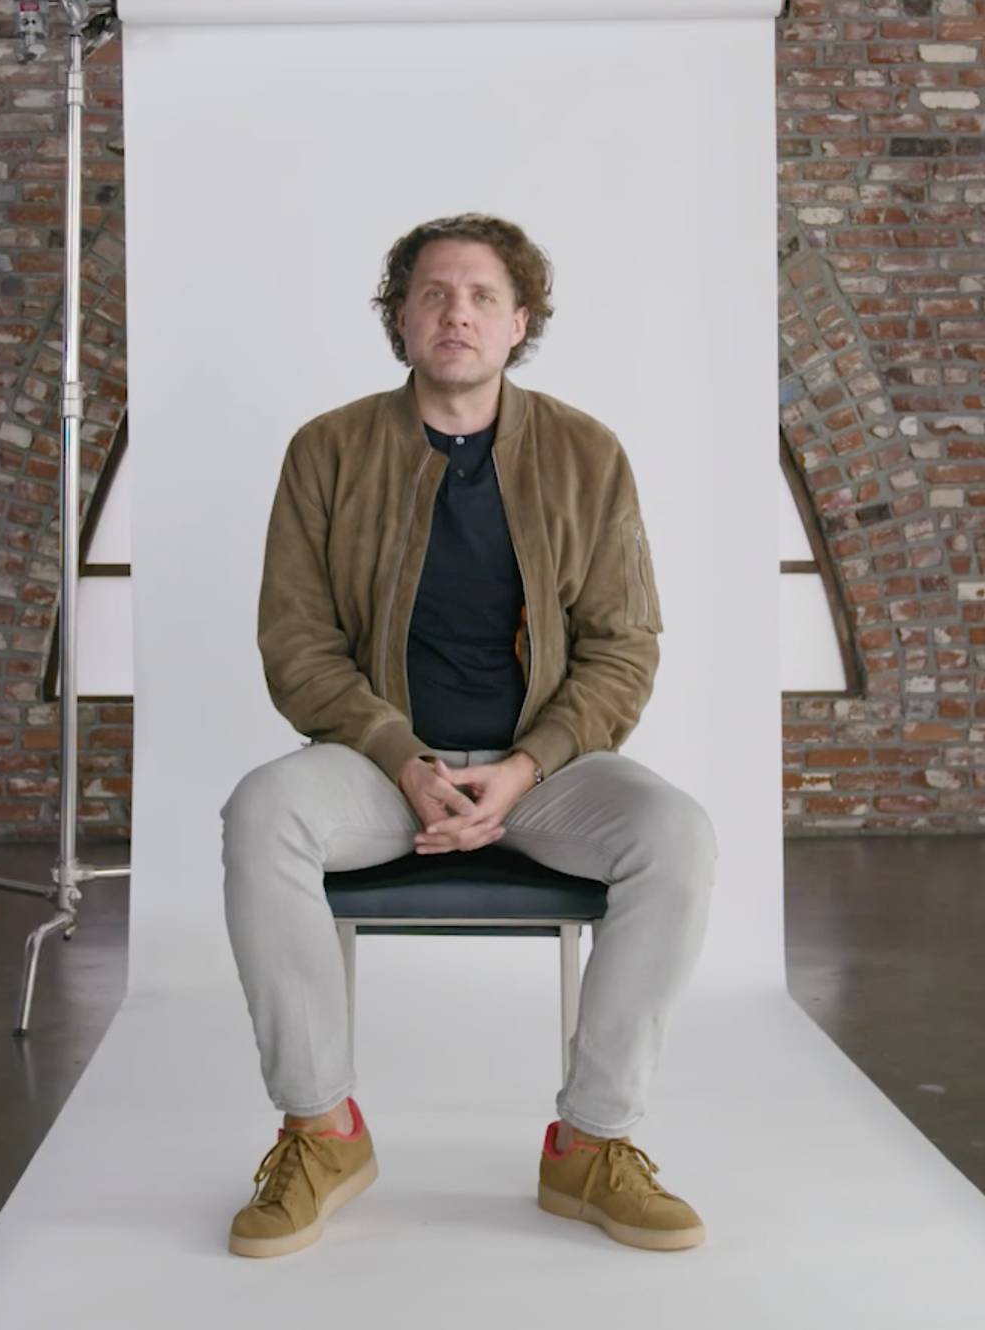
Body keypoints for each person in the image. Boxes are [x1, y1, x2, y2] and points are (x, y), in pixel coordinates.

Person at [218, 212, 719, 1259]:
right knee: (263, 808)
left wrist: (525, 768)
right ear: (398, 319)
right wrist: (401, 761)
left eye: (482, 295)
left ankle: (591, 1144)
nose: (457, 313)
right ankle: (321, 1133)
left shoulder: (586, 454)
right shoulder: (327, 451)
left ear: (518, 321)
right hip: (372, 769)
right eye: (433, 294)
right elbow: (295, 646)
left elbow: (623, 650)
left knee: (675, 833)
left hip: (535, 776)